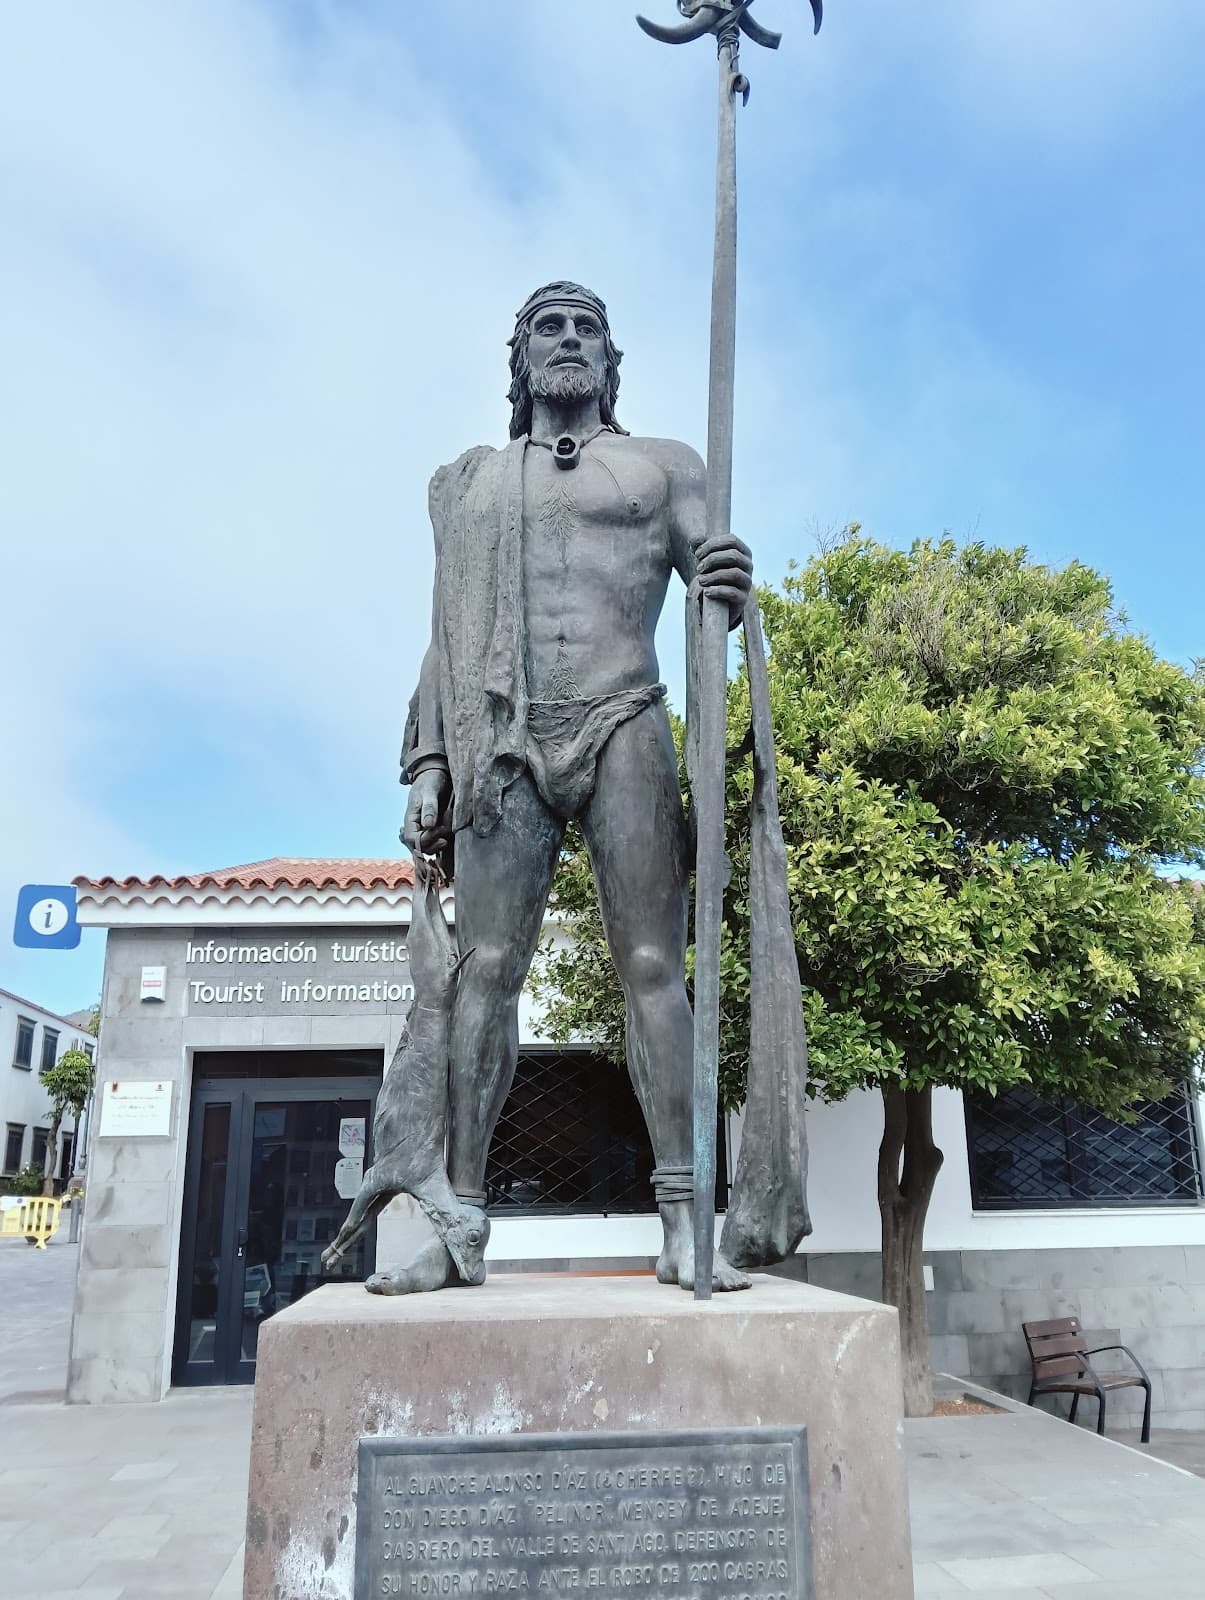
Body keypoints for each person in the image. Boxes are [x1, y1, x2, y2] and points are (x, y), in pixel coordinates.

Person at [392, 281, 755, 1295]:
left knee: (652, 966)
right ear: (517, 357)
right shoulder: (465, 483)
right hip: (498, 736)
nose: (565, 340)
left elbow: (709, 584)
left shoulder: (663, 466)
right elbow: (447, 634)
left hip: (622, 714)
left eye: (583, 328)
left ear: (609, 358)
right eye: (546, 327)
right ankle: (459, 1221)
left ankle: (685, 1220)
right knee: (485, 971)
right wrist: (428, 759)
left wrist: (725, 577)